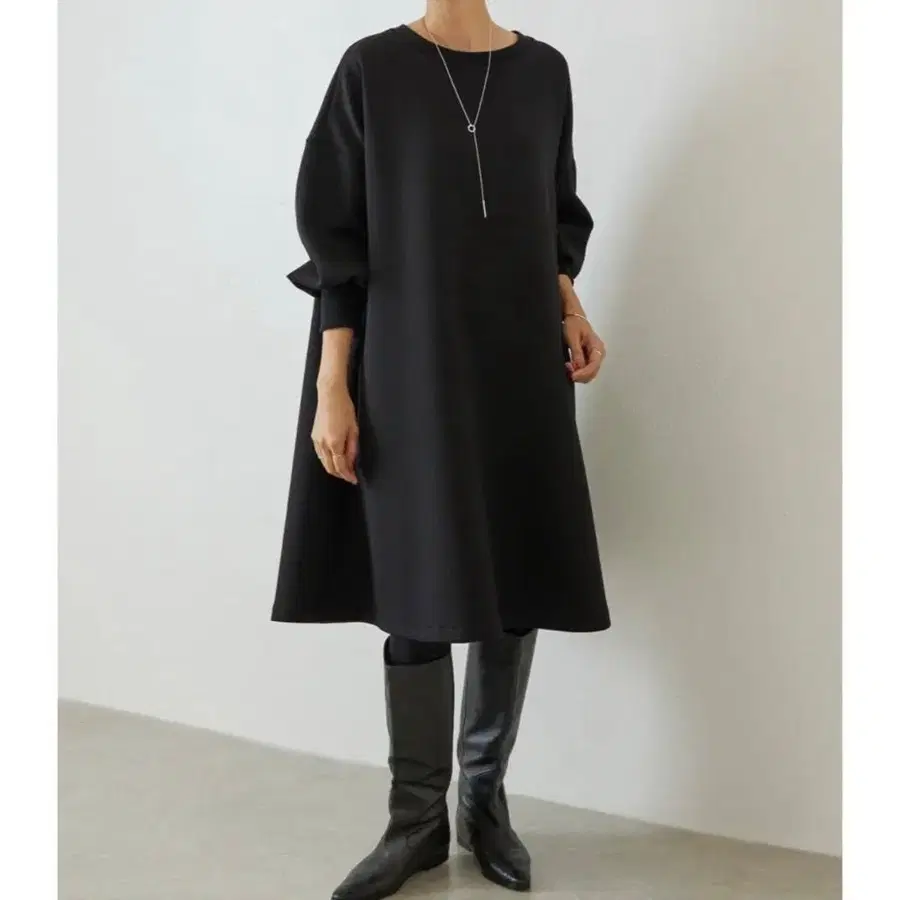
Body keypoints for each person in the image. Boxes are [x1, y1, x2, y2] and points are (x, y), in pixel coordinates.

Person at [272, 2, 611, 897]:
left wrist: (572, 309)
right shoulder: (372, 69)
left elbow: (554, 214)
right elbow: (337, 238)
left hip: (519, 363)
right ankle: (414, 820)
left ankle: (483, 805)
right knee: (416, 585)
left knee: (515, 576)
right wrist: (333, 386)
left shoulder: (544, 72)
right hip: (409, 364)